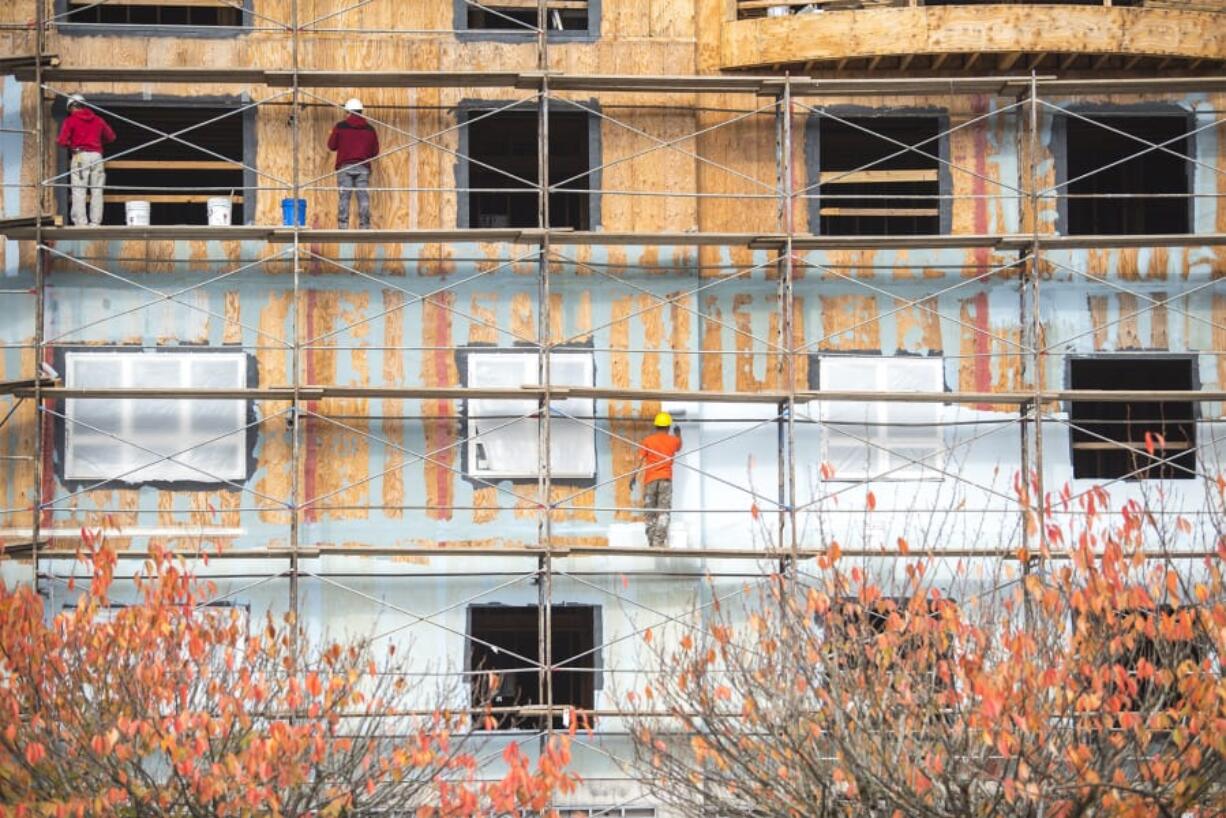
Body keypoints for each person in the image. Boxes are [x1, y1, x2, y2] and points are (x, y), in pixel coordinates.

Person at [57, 94, 115, 227]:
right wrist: (97, 143)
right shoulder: (98, 120)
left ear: (71, 107)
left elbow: (61, 141)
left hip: (80, 156)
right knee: (97, 190)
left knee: (79, 190)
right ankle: (95, 222)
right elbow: (111, 137)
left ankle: (81, 223)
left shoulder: (71, 120)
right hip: (97, 156)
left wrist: (72, 146)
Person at [630, 412, 683, 549]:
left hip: (650, 481)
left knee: (650, 512)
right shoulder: (673, 440)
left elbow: (640, 460)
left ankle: (651, 541)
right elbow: (679, 446)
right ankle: (659, 542)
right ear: (668, 426)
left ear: (656, 426)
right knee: (663, 512)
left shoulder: (648, 440)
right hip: (665, 480)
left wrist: (633, 476)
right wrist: (678, 433)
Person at [326, 98, 380, 229]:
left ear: (348, 111)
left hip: (345, 167)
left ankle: (343, 226)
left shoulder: (340, 126)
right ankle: (364, 225)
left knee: (344, 196)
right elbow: (375, 152)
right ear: (361, 111)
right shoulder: (370, 129)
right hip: (363, 167)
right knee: (363, 197)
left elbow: (331, 146)